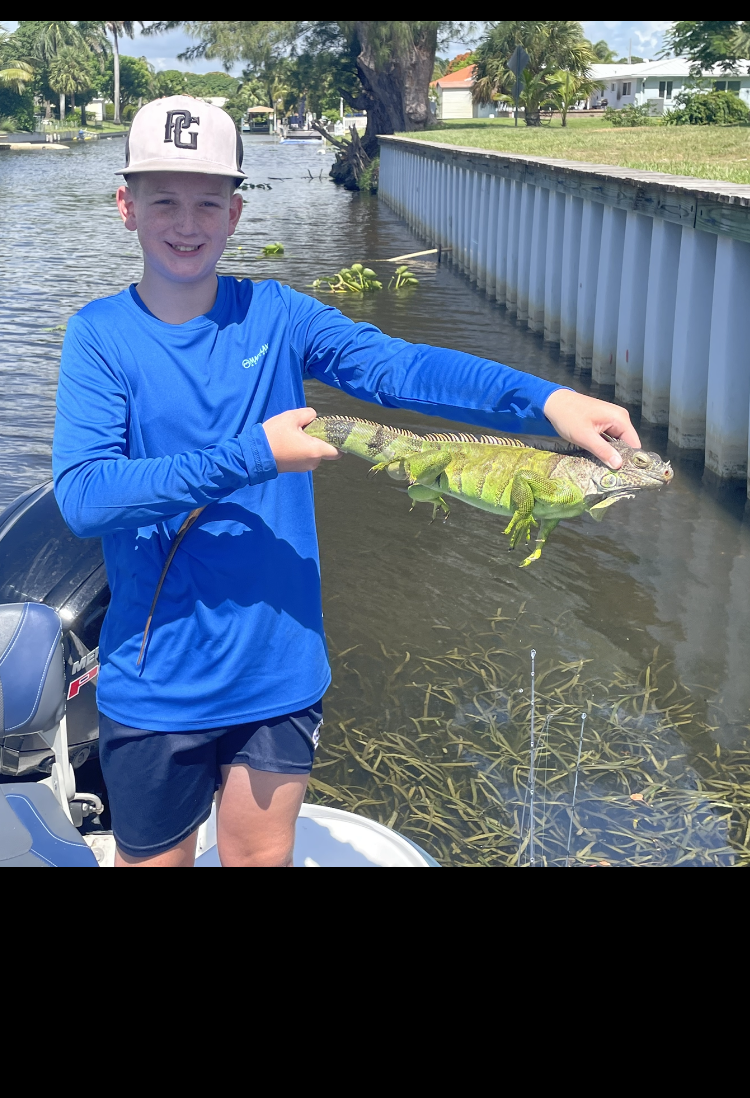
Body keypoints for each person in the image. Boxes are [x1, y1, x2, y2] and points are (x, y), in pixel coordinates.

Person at [52, 96, 640, 868]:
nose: (186, 223)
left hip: (278, 664)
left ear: (235, 214)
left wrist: (546, 400)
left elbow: (399, 368)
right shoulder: (99, 336)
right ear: (127, 207)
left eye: (207, 202)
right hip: (156, 677)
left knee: (260, 857)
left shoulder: (278, 315)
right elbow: (85, 495)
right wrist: (253, 455)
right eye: (164, 200)